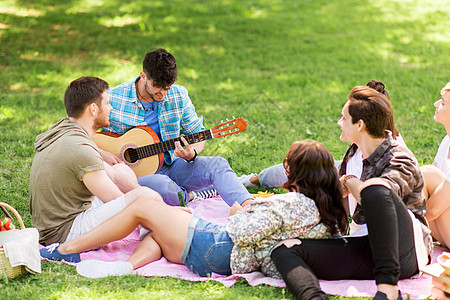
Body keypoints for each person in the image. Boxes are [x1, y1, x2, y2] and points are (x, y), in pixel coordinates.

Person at [40, 140, 348, 280]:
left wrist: (238, 213)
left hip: (215, 249)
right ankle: (127, 267)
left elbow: (240, 231)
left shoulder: (290, 203)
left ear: (297, 173)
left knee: (145, 205)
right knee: (165, 225)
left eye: (287, 166)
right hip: (217, 248)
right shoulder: (326, 210)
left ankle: (64, 249)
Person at [270, 83, 432, 300]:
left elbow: (379, 198)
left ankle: (388, 291)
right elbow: (337, 202)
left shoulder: (400, 159)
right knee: (285, 249)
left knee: (375, 189)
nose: (339, 123)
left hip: (406, 252)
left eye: (343, 118)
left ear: (360, 125)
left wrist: (351, 181)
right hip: (364, 246)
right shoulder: (354, 154)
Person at [99, 48, 253, 207]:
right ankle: (193, 195)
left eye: (167, 87)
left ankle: (250, 208)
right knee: (165, 187)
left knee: (218, 165)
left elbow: (197, 133)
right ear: (143, 76)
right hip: (132, 174)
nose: (163, 93)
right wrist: (102, 153)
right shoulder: (114, 97)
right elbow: (73, 130)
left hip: (171, 165)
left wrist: (192, 152)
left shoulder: (178, 95)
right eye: (158, 86)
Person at [29, 76, 160, 246]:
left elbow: (112, 174)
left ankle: (151, 226)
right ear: (93, 109)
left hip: (57, 220)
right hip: (64, 233)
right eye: (107, 103)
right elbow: (119, 201)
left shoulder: (66, 130)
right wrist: (158, 209)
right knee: (145, 196)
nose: (110, 108)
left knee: (123, 171)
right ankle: (160, 229)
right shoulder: (80, 149)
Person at [420, 82, 450, 249]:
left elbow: (433, 210)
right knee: (424, 174)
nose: (436, 104)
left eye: (443, 102)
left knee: (427, 173)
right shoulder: (447, 141)